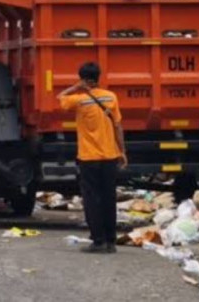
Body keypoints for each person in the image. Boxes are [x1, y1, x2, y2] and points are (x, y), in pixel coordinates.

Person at [58, 62, 126, 254]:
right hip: (110, 156)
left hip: (89, 157)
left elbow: (60, 97)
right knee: (108, 198)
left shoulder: (79, 100)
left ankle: (98, 241)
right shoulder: (111, 97)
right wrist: (123, 152)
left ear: (83, 79)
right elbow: (118, 126)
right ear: (99, 77)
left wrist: (76, 87)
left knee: (92, 200)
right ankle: (111, 242)